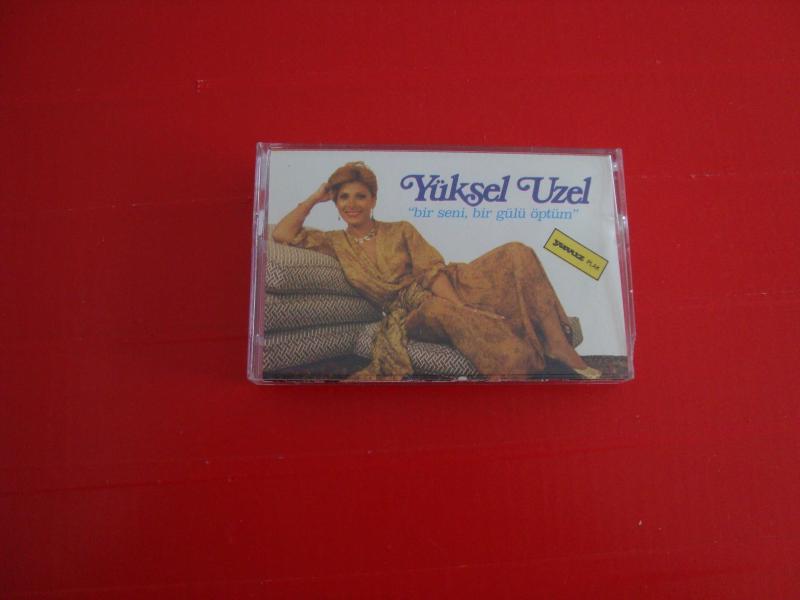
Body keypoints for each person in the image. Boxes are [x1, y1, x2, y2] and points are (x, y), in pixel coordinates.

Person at [271, 161, 601, 381]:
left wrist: (462, 305)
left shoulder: (401, 229)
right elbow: (283, 234)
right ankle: (519, 361)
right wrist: (316, 197)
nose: (351, 204)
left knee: (517, 251)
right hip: (414, 312)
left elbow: (432, 271)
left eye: (360, 196)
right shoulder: (332, 242)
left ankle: (557, 343)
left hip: (448, 285)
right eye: (343, 197)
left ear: (373, 200)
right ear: (335, 202)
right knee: (440, 310)